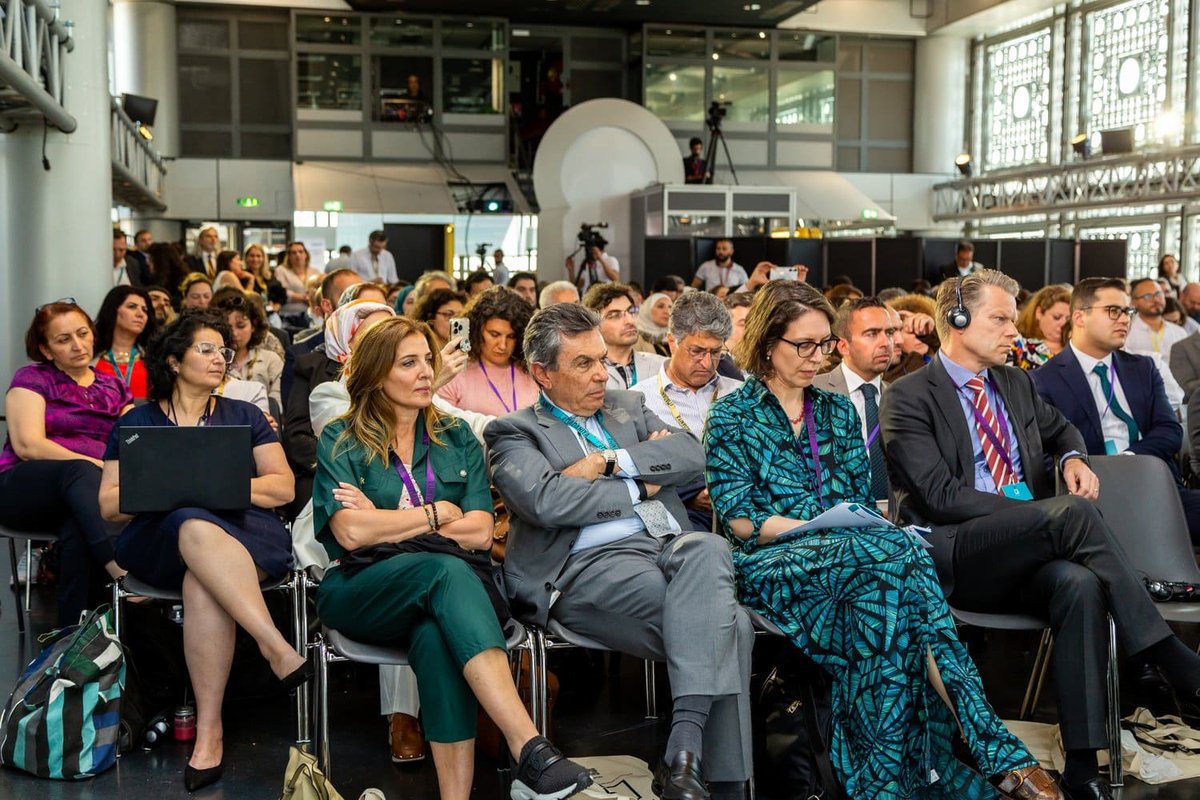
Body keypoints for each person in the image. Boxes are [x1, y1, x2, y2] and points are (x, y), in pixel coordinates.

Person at [706, 279, 1060, 800]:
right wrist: (814, 529)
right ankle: (989, 744)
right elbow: (741, 520)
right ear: (766, 344)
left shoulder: (835, 411)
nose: (817, 357)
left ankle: (889, 782)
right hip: (771, 562)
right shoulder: (731, 415)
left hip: (859, 561)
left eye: (824, 344)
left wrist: (845, 529)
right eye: (803, 345)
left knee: (890, 592)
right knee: (900, 555)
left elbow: (854, 499)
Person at [880, 269, 1200, 800]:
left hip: (1028, 550)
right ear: (957, 320)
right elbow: (939, 496)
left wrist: (1073, 457)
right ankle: (1170, 657)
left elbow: (1063, 429)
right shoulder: (908, 395)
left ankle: (1082, 766)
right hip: (959, 553)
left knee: (1078, 584)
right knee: (1069, 514)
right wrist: (1034, 513)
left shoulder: (1015, 382)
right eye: (1000, 319)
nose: (1015, 331)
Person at [313, 316, 592, 800]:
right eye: (408, 363)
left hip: (447, 593)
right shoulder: (341, 437)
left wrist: (385, 519)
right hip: (362, 588)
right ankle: (529, 746)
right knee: (445, 568)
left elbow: (481, 531)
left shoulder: (456, 434)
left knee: (436, 637)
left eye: (428, 359)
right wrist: (436, 514)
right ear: (376, 374)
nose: (427, 371)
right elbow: (351, 533)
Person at [485, 303, 754, 800]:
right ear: (543, 373)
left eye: (602, 360)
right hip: (585, 567)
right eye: (583, 363)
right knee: (729, 624)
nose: (600, 374)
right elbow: (547, 502)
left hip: (669, 545)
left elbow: (692, 455)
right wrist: (641, 483)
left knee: (710, 546)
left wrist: (607, 462)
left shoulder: (626, 405)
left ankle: (684, 753)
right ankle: (718, 779)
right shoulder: (515, 431)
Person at [99, 313, 307, 792]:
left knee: (202, 579)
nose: (221, 359)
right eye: (207, 349)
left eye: (224, 351)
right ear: (174, 361)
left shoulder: (244, 416)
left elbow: (282, 488)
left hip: (243, 532)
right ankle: (274, 646)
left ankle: (208, 731)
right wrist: (177, 493)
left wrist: (214, 489)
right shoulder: (137, 422)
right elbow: (108, 504)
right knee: (190, 522)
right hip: (159, 540)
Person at [1032, 278, 1200, 545]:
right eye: (1113, 311)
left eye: (1127, 311)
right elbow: (1046, 451)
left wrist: (1129, 458)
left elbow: (1169, 431)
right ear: (1080, 317)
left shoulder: (1143, 368)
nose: (1124, 319)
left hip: (1155, 485)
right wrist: (1106, 470)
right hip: (1093, 495)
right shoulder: (1043, 380)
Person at [0, 300, 134, 625]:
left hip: (85, 498)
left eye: (82, 333)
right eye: (63, 340)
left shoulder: (114, 386)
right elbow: (28, 445)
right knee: (80, 472)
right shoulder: (32, 378)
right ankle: (123, 572)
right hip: (25, 489)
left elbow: (134, 442)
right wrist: (96, 463)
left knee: (79, 526)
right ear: (46, 350)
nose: (77, 345)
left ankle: (76, 635)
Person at [631, 292, 740, 531]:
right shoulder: (640, 401)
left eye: (716, 352)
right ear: (672, 342)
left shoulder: (741, 393)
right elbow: (633, 481)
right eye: (697, 351)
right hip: (680, 526)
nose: (707, 363)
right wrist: (688, 496)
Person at [284, 300, 398, 515]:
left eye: (392, 331)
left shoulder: (409, 378)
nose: (387, 341)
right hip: (335, 472)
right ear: (348, 339)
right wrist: (331, 468)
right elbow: (299, 437)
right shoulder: (324, 386)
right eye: (375, 334)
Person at [810, 296, 896, 502]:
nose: (886, 343)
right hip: (834, 511)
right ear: (843, 346)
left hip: (895, 512)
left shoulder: (901, 397)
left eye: (889, 333)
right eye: (872, 334)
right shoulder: (813, 391)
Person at [438, 286, 539, 416]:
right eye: (494, 335)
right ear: (477, 331)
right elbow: (442, 423)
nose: (502, 345)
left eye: (511, 336)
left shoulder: (532, 372)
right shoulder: (455, 374)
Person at [582, 283, 665, 390]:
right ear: (595, 325)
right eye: (615, 315)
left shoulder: (660, 366)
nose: (630, 321)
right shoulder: (586, 372)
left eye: (631, 311)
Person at [215, 292, 284, 410]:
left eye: (241, 326)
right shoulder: (214, 362)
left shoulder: (271, 360)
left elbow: (277, 406)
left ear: (253, 326)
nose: (234, 333)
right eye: (227, 327)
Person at [93, 285, 157, 400]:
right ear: (113, 310)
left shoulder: (154, 360)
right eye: (132, 307)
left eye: (145, 310)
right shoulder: (89, 358)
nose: (140, 314)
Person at [1125, 276, 1189, 359]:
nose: (1156, 300)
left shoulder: (1179, 333)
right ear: (1134, 302)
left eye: (1158, 294)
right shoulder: (1127, 332)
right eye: (1148, 296)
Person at [883, 293, 940, 383]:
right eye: (912, 331)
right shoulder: (889, 369)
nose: (920, 337)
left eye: (924, 330)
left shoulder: (935, 360)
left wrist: (934, 333)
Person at [1013, 284, 1071, 369]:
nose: (1063, 323)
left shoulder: (1077, 348)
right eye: (1057, 317)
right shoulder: (1017, 345)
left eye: (1068, 319)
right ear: (1039, 313)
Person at [277, 241, 323, 315]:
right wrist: (304, 298)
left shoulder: (315, 271)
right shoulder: (281, 270)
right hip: (288, 314)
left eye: (300, 251)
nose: (297, 255)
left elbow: (320, 290)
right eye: (294, 252)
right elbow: (282, 292)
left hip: (312, 314)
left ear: (306, 254)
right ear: (289, 256)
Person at [636, 292, 673, 357]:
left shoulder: (674, 337)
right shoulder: (635, 339)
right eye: (660, 306)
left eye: (670, 307)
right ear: (647, 309)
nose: (667, 311)